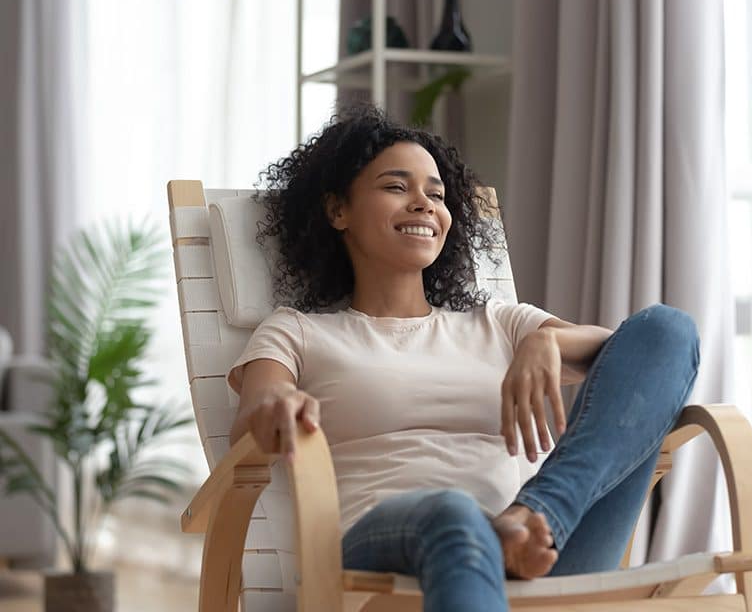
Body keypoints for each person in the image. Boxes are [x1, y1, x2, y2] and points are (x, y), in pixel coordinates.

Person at [226, 103, 701, 611]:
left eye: (436, 193)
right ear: (338, 210)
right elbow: (256, 411)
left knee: (671, 327)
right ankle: (505, 531)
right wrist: (277, 407)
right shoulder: (298, 331)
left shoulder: (499, 322)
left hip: (539, 556)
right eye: (395, 187)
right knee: (455, 512)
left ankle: (531, 518)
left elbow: (645, 356)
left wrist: (547, 340)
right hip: (382, 553)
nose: (423, 204)